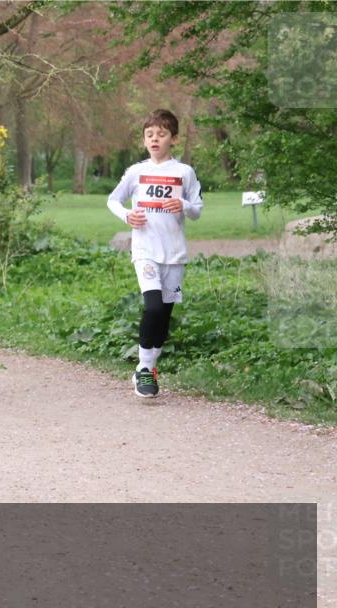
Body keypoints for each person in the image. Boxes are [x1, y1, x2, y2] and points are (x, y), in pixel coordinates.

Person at [107, 108, 203, 398]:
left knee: (164, 316)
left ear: (173, 138)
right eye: (149, 134)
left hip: (174, 255)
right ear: (144, 140)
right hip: (145, 251)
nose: (154, 139)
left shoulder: (184, 172)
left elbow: (197, 210)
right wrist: (127, 216)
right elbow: (113, 200)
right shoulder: (137, 172)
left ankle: (151, 365)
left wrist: (183, 206)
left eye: (161, 134)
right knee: (154, 307)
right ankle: (143, 370)